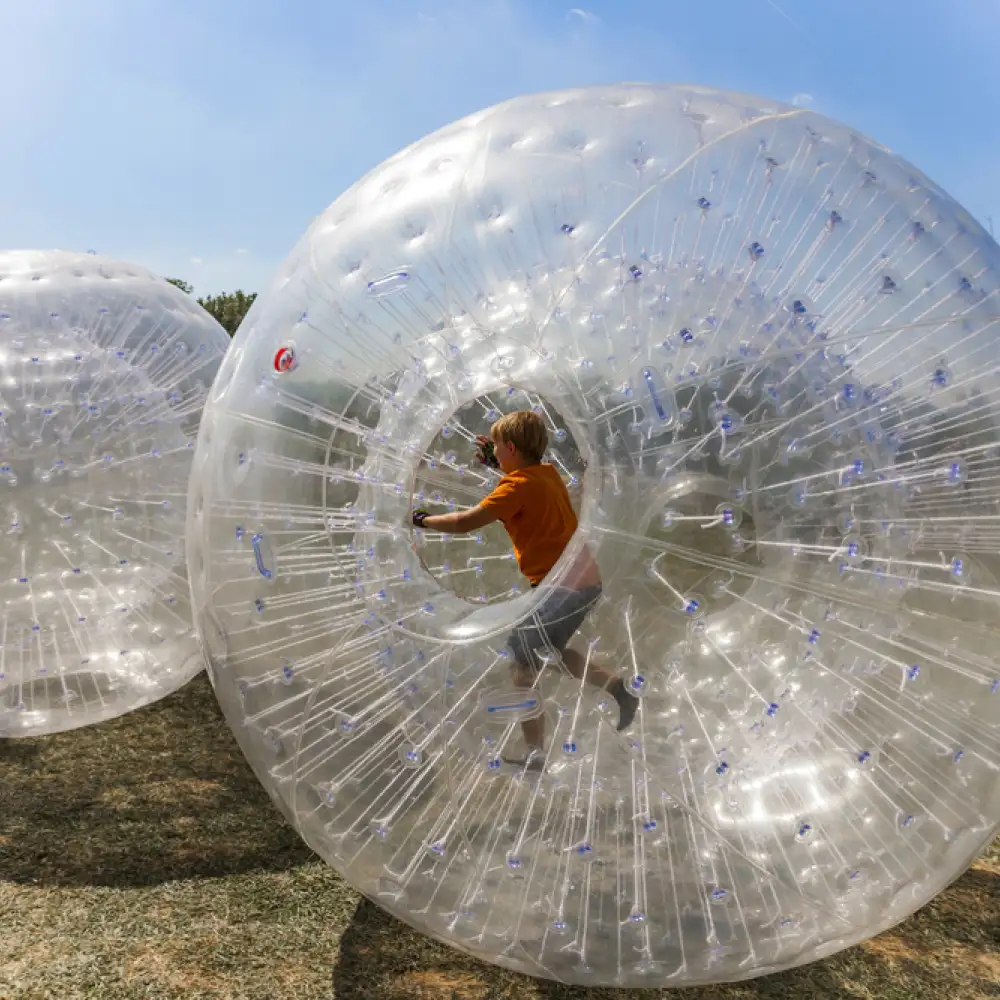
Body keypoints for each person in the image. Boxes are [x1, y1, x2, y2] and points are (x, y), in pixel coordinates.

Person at [411, 410, 639, 771]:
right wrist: (497, 464)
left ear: (512, 449)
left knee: (522, 662)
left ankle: (535, 754)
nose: (495, 454)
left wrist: (421, 520)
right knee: (548, 652)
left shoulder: (515, 487)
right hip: (581, 582)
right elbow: (522, 483)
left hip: (562, 587)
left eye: (498, 448)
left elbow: (464, 522)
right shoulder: (545, 475)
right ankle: (617, 690)